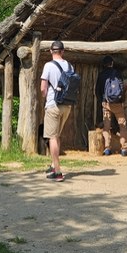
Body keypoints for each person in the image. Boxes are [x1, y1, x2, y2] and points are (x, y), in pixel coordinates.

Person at [41, 40, 72, 182]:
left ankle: (58, 171)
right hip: (67, 105)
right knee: (57, 136)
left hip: (53, 104)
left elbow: (43, 88)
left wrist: (45, 97)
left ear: (50, 51)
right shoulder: (69, 66)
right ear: (63, 51)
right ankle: (54, 165)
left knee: (52, 137)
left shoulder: (48, 65)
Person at [97, 55, 127, 156]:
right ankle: (124, 148)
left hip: (106, 103)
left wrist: (101, 100)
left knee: (106, 126)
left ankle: (107, 148)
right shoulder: (117, 74)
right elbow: (121, 88)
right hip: (118, 103)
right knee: (122, 125)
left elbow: (97, 90)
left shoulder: (101, 75)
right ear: (112, 63)